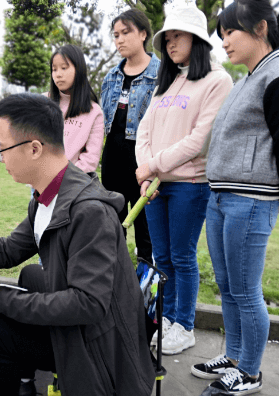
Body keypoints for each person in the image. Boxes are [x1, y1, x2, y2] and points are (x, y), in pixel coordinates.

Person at [0, 93, 155, 396]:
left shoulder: (89, 212)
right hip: (87, 326)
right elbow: (11, 249)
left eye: (2, 149)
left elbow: (88, 304)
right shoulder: (48, 195)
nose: (0, 158)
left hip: (100, 350)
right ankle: (22, 382)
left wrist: (0, 298)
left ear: (34, 148)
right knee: (30, 276)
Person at [190, 0, 279, 396]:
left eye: (231, 32)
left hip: (251, 200)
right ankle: (236, 356)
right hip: (223, 198)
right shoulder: (246, 79)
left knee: (245, 289)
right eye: (222, 34)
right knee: (227, 286)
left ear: (260, 28)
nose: (224, 41)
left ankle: (251, 371)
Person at [135, 0, 233, 356]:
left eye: (178, 36)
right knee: (160, 257)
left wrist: (152, 166)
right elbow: (143, 130)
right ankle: (167, 320)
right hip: (156, 185)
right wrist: (145, 173)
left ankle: (184, 325)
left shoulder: (217, 80)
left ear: (196, 38)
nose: (170, 44)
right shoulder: (168, 82)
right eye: (167, 39)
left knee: (181, 256)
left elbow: (199, 140)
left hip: (190, 186)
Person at [101, 9, 160, 267]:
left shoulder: (162, 74)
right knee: (112, 228)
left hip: (144, 164)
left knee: (147, 231)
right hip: (113, 161)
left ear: (143, 34)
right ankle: (116, 285)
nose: (120, 40)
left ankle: (146, 290)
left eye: (126, 33)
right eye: (116, 35)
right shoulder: (110, 77)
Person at [47, 44, 104, 173]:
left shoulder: (94, 112)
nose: (58, 74)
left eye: (64, 68)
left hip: (73, 184)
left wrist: (61, 179)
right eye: (54, 69)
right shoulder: (43, 103)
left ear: (78, 70)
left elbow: (90, 159)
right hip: (41, 183)